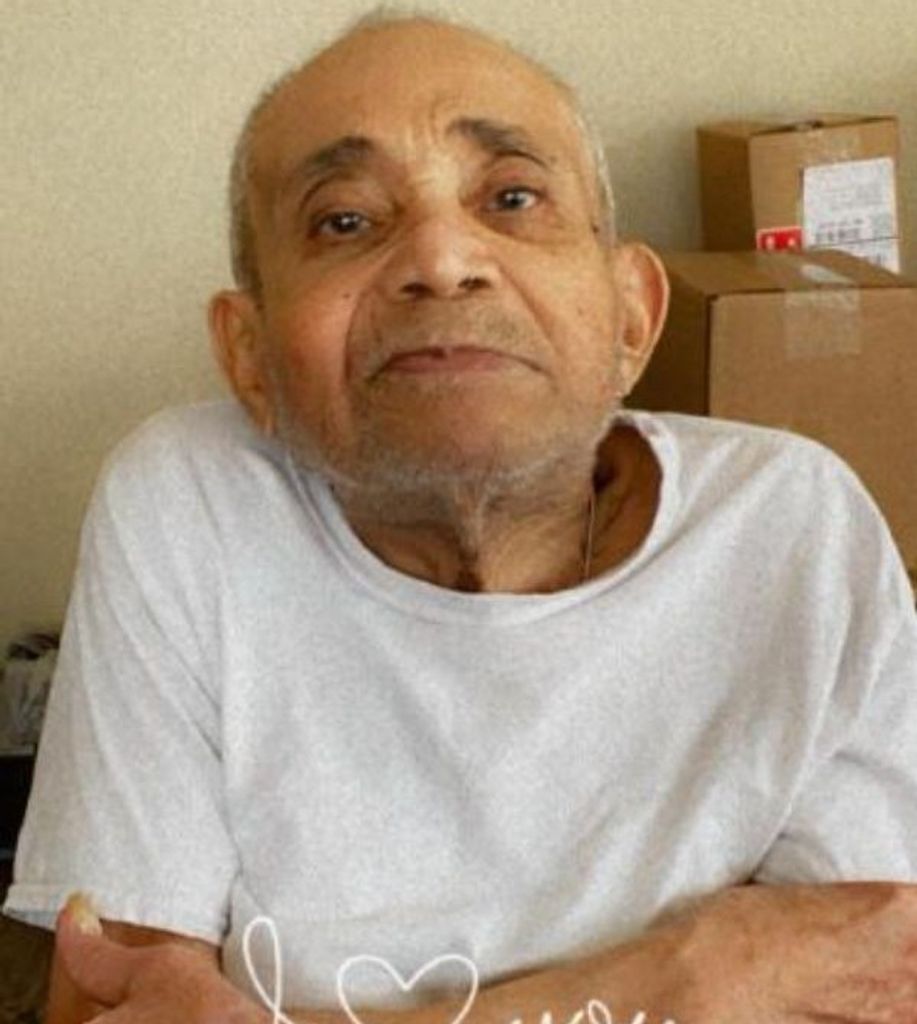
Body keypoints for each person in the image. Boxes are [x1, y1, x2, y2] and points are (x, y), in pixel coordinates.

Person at [5, 10, 917, 1024]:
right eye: (344, 220)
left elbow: (869, 980)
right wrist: (680, 983)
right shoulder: (188, 503)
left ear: (630, 317)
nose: (441, 258)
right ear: (249, 358)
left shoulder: (793, 526)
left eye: (512, 198)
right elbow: (110, 1005)